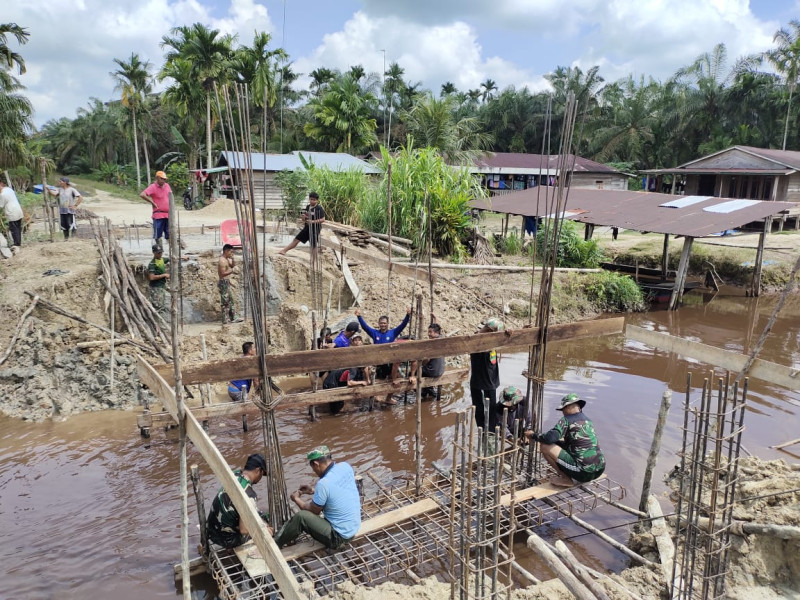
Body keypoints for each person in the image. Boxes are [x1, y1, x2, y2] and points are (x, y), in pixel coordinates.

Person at [274, 446, 361, 550]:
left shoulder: (323, 484)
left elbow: (313, 511)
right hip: (354, 528)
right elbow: (337, 489)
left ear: (316, 464)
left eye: (313, 468)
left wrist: (296, 499)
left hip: (339, 537)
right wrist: (313, 491)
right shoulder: (345, 466)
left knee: (301, 517)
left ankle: (275, 544)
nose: (314, 471)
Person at [526, 393, 605, 488]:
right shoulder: (588, 420)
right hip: (600, 469)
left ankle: (566, 479)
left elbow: (549, 438)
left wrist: (533, 435)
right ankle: (571, 471)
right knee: (560, 441)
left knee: (544, 446)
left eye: (563, 409)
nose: (563, 412)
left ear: (568, 407)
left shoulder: (566, 420)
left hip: (583, 472)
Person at [206, 453, 271, 548]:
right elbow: (244, 530)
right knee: (264, 527)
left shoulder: (234, 475)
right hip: (225, 539)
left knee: (259, 515)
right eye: (262, 474)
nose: (261, 478)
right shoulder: (249, 495)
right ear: (258, 471)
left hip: (211, 529)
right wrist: (264, 530)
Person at [356, 307, 411, 404]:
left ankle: (388, 398)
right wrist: (359, 317)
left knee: (393, 380)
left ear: (388, 324)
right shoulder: (374, 333)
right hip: (378, 361)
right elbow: (365, 327)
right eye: (381, 323)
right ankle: (376, 396)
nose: (383, 325)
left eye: (384, 323)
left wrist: (407, 315)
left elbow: (402, 325)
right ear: (378, 324)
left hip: (390, 361)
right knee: (378, 380)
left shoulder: (393, 332)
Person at [470, 318, 504, 432]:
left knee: (491, 411)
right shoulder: (477, 342)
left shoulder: (493, 342)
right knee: (479, 410)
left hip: (491, 383)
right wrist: (485, 329)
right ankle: (483, 431)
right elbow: (475, 339)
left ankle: (491, 431)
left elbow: (507, 338)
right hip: (479, 384)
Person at [323, 334, 369, 414]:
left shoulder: (359, 362)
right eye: (355, 340)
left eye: (359, 340)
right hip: (331, 384)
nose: (358, 342)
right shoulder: (353, 367)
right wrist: (362, 382)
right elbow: (349, 383)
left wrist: (368, 379)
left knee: (338, 405)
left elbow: (365, 367)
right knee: (336, 410)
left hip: (332, 380)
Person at [278, 191, 325, 259]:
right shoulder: (308, 207)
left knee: (313, 245)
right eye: (311, 199)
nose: (312, 201)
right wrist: (304, 217)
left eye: (314, 200)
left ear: (317, 200)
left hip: (315, 229)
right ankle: (284, 251)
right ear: (309, 199)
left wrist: (313, 221)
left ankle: (314, 261)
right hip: (307, 227)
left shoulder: (319, 208)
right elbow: (305, 217)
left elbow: (323, 219)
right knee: (296, 239)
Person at [409, 318, 445, 399]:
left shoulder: (431, 344)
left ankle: (423, 392)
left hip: (434, 372)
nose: (428, 334)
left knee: (412, 373)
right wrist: (435, 319)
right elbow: (437, 327)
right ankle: (429, 389)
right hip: (441, 370)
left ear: (436, 332)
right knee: (424, 367)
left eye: (430, 332)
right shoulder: (441, 338)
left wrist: (417, 368)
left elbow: (426, 359)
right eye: (428, 332)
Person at [139, 171, 173, 246]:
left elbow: (171, 196)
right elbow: (142, 194)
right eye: (162, 179)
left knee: (169, 234)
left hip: (168, 215)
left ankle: (172, 249)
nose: (163, 181)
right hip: (158, 215)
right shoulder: (153, 187)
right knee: (158, 235)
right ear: (157, 178)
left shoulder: (167, 186)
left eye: (164, 179)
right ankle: (159, 249)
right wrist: (152, 202)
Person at [217, 243, 243, 324]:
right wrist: (232, 271)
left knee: (230, 300)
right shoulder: (222, 261)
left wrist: (233, 259)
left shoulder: (227, 259)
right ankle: (225, 319)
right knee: (225, 301)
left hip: (226, 282)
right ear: (226, 251)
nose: (231, 253)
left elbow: (232, 266)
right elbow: (222, 273)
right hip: (223, 282)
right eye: (231, 252)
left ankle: (233, 317)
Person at [147, 244, 170, 316]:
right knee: (157, 306)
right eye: (158, 253)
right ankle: (156, 319)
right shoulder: (152, 264)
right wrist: (164, 275)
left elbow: (171, 259)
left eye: (161, 252)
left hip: (161, 286)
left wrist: (182, 257)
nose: (160, 254)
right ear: (153, 252)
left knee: (161, 303)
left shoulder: (162, 260)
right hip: (155, 288)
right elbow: (151, 277)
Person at [0, 179, 23, 249]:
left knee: (14, 229)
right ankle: (18, 243)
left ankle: (16, 244)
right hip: (18, 209)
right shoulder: (9, 189)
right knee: (18, 227)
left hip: (12, 212)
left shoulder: (2, 195)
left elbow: (1, 205)